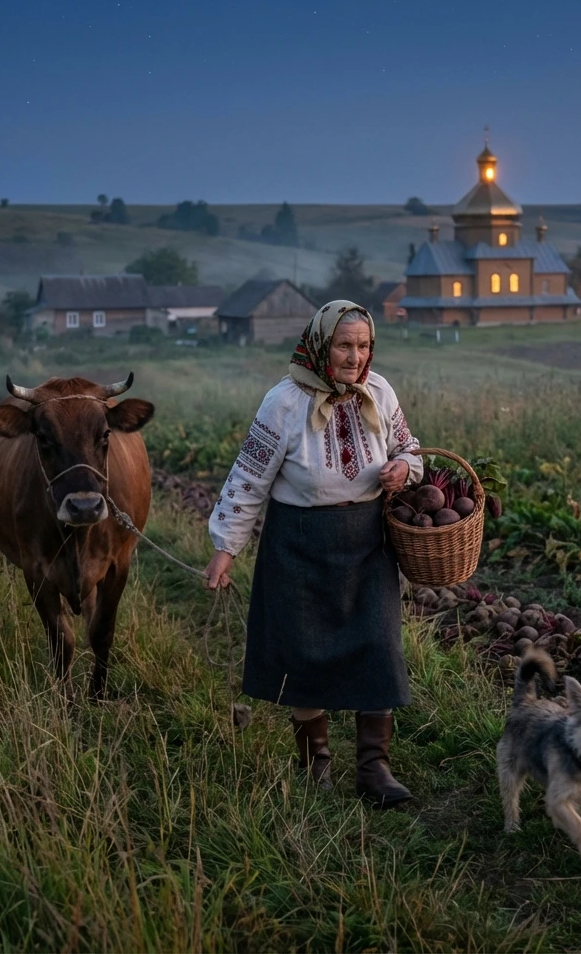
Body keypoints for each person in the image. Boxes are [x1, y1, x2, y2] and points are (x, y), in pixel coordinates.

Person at [205, 300, 422, 806]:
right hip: (298, 543)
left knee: (378, 648)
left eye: (363, 345)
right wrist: (226, 549)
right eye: (344, 345)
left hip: (367, 541)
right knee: (303, 656)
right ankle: (316, 766)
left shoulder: (380, 391)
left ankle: (374, 770)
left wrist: (403, 469)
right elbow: (248, 478)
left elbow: (410, 448)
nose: (354, 356)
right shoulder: (282, 402)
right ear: (322, 344)